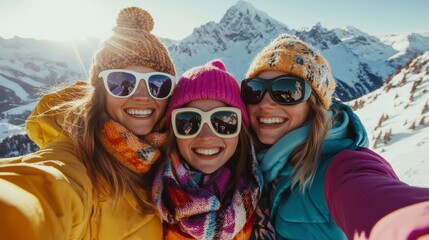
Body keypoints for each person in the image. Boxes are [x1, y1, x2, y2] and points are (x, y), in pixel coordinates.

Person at [0, 7, 176, 240]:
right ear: (100, 92)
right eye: (123, 82)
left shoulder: (170, 162)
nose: (142, 95)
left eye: (158, 84)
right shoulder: (74, 161)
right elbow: (43, 190)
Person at [241, 34, 429, 240]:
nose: (265, 103)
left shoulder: (340, 166)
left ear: (313, 105)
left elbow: (381, 206)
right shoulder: (247, 167)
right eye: (255, 90)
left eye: (286, 91)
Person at [152, 59, 263, 240]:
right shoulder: (142, 196)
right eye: (189, 121)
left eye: (223, 121)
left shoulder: (266, 202)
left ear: (240, 131)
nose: (206, 136)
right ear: (173, 131)